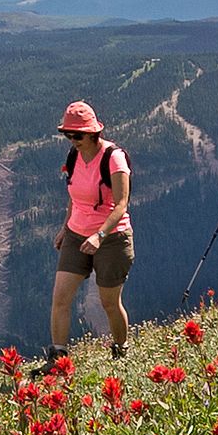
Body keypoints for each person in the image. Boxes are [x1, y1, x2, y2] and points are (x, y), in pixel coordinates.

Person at [48, 100, 134, 367]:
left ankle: (120, 349)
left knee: (109, 302)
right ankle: (58, 358)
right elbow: (74, 198)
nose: (72, 140)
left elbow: (121, 204)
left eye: (78, 135)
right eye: (68, 134)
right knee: (60, 298)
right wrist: (65, 229)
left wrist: (99, 235)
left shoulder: (114, 157)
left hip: (112, 237)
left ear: (93, 132)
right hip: (76, 233)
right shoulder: (74, 156)